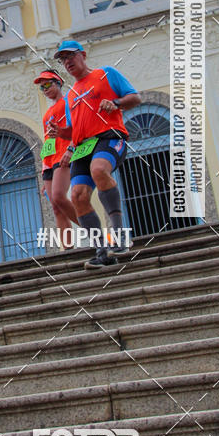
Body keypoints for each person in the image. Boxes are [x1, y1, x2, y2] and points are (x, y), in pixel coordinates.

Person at [48, 40, 141, 271]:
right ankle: (101, 250)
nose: (67, 62)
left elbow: (135, 98)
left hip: (110, 138)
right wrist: (62, 135)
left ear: (83, 55)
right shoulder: (70, 96)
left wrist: (116, 103)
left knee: (99, 170)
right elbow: (74, 130)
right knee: (78, 195)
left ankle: (120, 237)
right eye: (63, 59)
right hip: (82, 148)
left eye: (71, 56)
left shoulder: (105, 74)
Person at [33, 69, 78, 246]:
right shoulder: (47, 113)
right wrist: (45, 168)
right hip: (50, 162)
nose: (45, 89)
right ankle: (68, 249)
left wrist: (71, 148)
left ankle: (92, 230)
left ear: (58, 82)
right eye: (42, 88)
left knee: (60, 197)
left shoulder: (69, 101)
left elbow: (77, 126)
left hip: (64, 156)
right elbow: (48, 141)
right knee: (56, 208)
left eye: (48, 84)